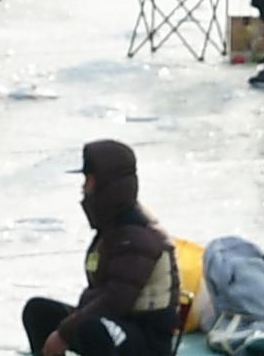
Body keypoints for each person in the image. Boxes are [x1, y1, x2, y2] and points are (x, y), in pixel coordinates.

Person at [19, 139, 179, 356]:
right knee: (39, 311)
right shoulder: (113, 230)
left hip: (147, 341)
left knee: (91, 328)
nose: (84, 188)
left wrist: (63, 334)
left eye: (89, 180)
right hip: (116, 325)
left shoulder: (138, 237)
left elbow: (115, 301)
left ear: (106, 184)